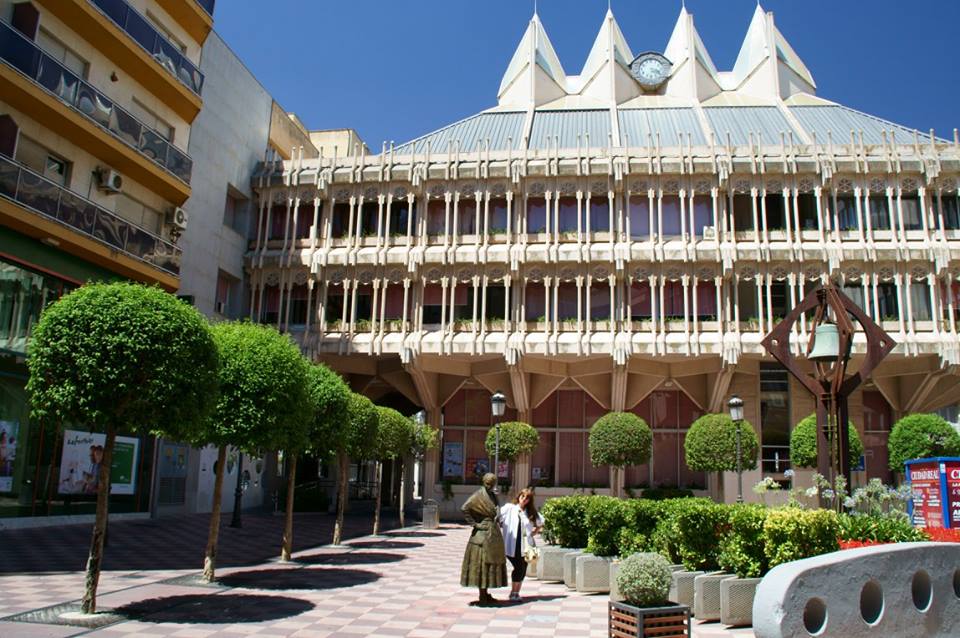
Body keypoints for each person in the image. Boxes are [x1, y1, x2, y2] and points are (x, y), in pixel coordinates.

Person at [460, 472, 507, 606]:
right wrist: (475, 524)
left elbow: (496, 508)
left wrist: (497, 515)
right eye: (488, 483)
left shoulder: (493, 495)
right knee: (482, 564)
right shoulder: (478, 495)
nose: (490, 486)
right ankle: (482, 595)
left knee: (491, 563)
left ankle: (485, 593)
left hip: (493, 533)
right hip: (482, 535)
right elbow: (464, 508)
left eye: (492, 483)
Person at [499, 487, 544, 601]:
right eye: (522, 496)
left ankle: (516, 593)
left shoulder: (530, 512)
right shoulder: (510, 508)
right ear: (519, 497)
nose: (524, 499)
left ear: (529, 501)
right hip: (512, 544)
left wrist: (534, 532)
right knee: (518, 567)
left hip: (526, 546)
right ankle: (513, 593)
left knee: (523, 569)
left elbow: (540, 522)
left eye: (527, 498)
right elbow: (497, 516)